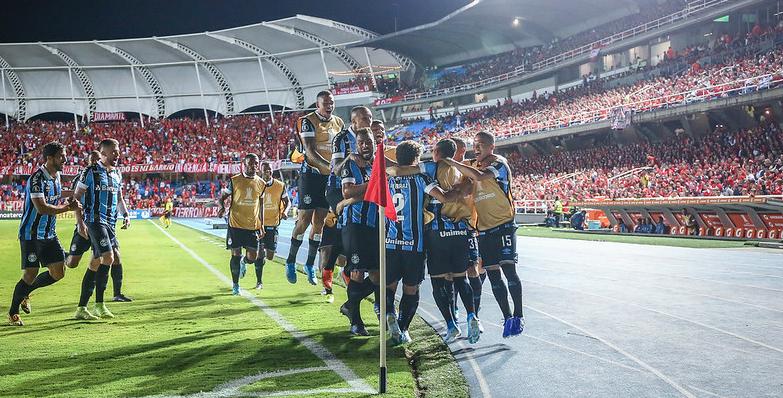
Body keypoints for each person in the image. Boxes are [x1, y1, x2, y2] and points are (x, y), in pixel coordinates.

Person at [387, 139, 481, 344]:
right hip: (460, 230)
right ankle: (472, 315)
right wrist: (459, 190)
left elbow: (399, 171)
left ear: (436, 151)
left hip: (434, 232)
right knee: (461, 278)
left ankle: (450, 324)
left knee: (438, 282)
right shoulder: (462, 171)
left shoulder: (426, 169)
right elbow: (470, 185)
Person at [443, 131, 525, 338]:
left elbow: (479, 177)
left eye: (480, 144)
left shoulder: (499, 164)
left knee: (508, 269)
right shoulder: (473, 165)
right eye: (474, 144)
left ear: (491, 147)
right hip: (484, 229)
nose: (476, 148)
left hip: (504, 225)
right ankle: (507, 318)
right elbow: (466, 188)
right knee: (493, 274)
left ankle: (519, 315)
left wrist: (451, 161)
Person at [8, 142, 81, 326]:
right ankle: (12, 313)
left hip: (49, 234)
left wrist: (76, 193)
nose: (65, 159)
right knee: (30, 274)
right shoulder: (36, 179)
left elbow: (55, 194)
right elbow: (41, 207)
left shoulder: (56, 176)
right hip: (31, 235)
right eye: (61, 156)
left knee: (59, 272)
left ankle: (26, 293)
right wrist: (68, 207)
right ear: (50, 158)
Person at [285, 91, 344, 285]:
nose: (329, 105)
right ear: (317, 104)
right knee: (303, 220)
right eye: (325, 103)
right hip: (311, 175)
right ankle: (291, 261)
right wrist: (330, 167)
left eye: (331, 102)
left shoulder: (339, 122)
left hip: (329, 178)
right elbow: (309, 151)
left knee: (319, 223)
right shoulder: (307, 120)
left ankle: (309, 264)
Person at [72, 139, 131, 320]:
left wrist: (126, 214)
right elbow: (76, 197)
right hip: (95, 221)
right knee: (109, 257)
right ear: (103, 153)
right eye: (114, 152)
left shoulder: (117, 174)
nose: (117, 155)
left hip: (110, 223)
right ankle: (99, 304)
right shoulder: (90, 172)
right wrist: (80, 223)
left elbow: (119, 198)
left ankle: (81, 308)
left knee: (95, 263)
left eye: (118, 151)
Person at [320, 106, 372, 300]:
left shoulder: (370, 136)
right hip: (337, 189)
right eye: (365, 118)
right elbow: (334, 170)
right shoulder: (341, 139)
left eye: (370, 117)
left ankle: (347, 268)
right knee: (346, 220)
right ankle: (330, 267)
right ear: (354, 122)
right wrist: (350, 158)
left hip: (360, 189)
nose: (369, 120)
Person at [338, 128, 381, 336]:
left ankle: (348, 305)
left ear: (374, 142)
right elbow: (348, 191)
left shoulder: (378, 163)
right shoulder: (351, 164)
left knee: (378, 273)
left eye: (368, 142)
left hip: (375, 223)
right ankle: (356, 321)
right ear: (357, 145)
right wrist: (375, 183)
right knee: (357, 272)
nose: (365, 145)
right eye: (361, 142)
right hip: (355, 224)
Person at [217, 154, 266, 296]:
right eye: (250, 163)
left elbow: (261, 205)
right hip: (235, 224)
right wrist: (221, 207)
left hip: (252, 226)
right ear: (244, 165)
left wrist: (261, 224)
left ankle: (245, 262)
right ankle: (235, 285)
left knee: (253, 257)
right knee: (235, 254)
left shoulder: (261, 183)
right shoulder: (235, 180)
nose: (253, 166)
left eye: (255, 163)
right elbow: (222, 197)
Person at [257, 162, 289, 290]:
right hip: (259, 226)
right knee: (260, 253)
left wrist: (285, 212)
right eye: (265, 170)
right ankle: (259, 282)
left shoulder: (280, 186)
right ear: (261, 171)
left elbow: (287, 202)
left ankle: (250, 259)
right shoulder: (256, 185)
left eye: (269, 170)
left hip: (273, 225)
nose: (267, 172)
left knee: (269, 256)